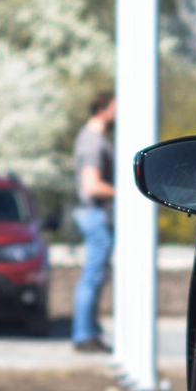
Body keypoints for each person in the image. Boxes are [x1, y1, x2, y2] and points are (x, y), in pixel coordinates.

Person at [69, 90, 116, 354]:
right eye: (115, 107)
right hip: (95, 214)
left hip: (96, 215)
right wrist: (124, 193)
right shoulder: (93, 142)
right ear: (102, 109)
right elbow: (92, 185)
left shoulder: (94, 140)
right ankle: (84, 335)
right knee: (92, 276)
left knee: (96, 276)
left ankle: (89, 333)